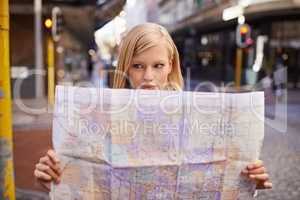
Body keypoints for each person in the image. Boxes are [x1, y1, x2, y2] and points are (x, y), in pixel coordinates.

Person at [34, 23, 272, 191]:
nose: (148, 76)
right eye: (138, 66)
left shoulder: (196, 116)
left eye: (158, 65)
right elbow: (83, 181)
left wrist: (248, 180)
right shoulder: (103, 117)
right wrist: (54, 179)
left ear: (171, 65)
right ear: (126, 68)